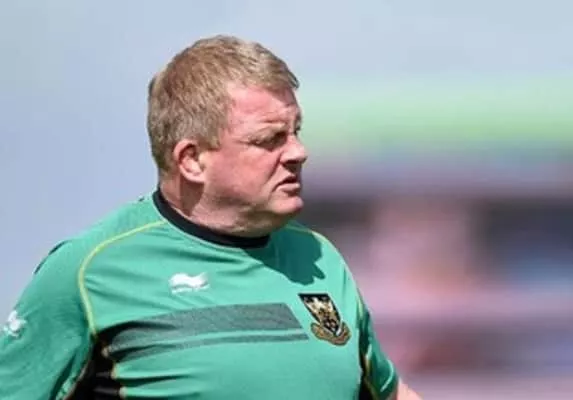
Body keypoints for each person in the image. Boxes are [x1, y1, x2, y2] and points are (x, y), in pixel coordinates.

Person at [0, 35, 421, 400]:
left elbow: (390, 393)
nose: (298, 152)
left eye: (296, 131)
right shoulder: (90, 271)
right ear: (192, 160)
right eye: (270, 139)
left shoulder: (319, 257)